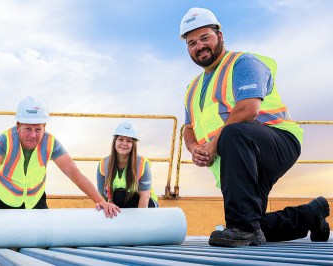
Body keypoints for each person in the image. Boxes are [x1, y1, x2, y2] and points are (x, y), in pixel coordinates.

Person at [179, 7, 330, 247]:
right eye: (192, 42)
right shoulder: (193, 87)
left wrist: (213, 145)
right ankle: (311, 214)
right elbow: (188, 127)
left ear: (220, 36)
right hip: (241, 156)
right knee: (256, 222)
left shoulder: (243, 63)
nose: (199, 46)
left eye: (205, 37)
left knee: (233, 132)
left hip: (277, 141)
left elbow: (248, 109)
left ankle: (243, 229)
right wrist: (194, 147)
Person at [0, 96, 120, 218]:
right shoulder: (5, 140)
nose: (33, 135)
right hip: (3, 200)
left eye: (38, 129)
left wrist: (101, 201)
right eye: (28, 129)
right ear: (18, 126)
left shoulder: (51, 142)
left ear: (44, 126)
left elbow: (74, 173)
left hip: (35, 201)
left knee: (44, 243)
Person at [97, 122, 159, 208]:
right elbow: (101, 195)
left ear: (133, 144)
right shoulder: (104, 163)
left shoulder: (142, 163)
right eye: (121, 139)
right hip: (121, 202)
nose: (124, 144)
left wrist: (141, 220)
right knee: (118, 196)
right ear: (115, 141)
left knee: (120, 196)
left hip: (147, 205)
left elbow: (145, 197)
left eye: (129, 141)